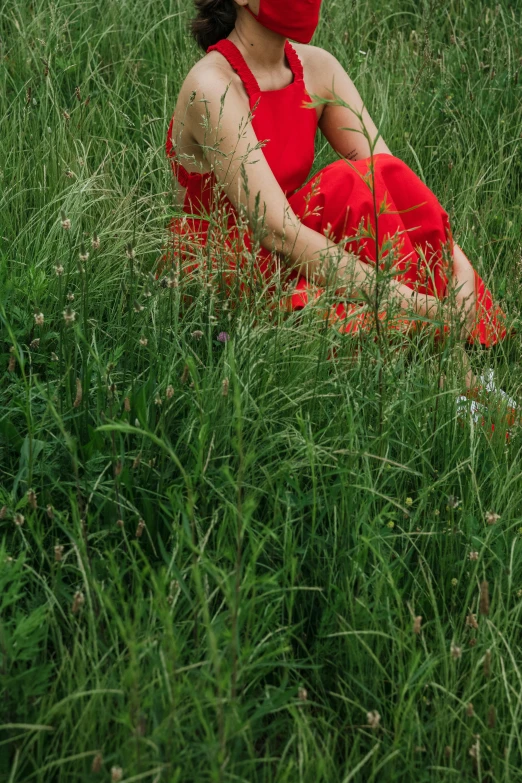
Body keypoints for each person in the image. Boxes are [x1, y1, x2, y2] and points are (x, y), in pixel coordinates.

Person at [163, 0, 513, 408]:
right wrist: (414, 304)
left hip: (286, 246)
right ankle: (447, 376)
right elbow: (276, 231)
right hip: (227, 272)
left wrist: (459, 269)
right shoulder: (212, 85)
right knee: (346, 184)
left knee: (371, 178)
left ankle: (445, 370)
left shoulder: (317, 68)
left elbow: (392, 183)